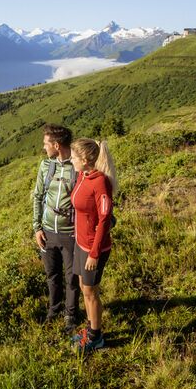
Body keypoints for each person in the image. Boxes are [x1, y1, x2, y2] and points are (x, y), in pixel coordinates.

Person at [69, 137, 117, 353]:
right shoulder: (83, 175)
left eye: (73, 157)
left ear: (85, 159)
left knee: (90, 292)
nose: (71, 160)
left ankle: (96, 338)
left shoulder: (100, 182)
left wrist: (94, 254)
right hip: (81, 243)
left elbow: (105, 219)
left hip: (93, 248)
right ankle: (90, 329)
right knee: (83, 287)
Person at [31, 123, 79, 330]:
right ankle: (54, 310)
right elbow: (38, 196)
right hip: (48, 231)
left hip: (71, 232)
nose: (44, 148)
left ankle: (71, 314)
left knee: (71, 277)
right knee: (52, 275)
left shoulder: (77, 167)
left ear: (57, 145)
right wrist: (37, 228)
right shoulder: (46, 166)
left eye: (46, 144)